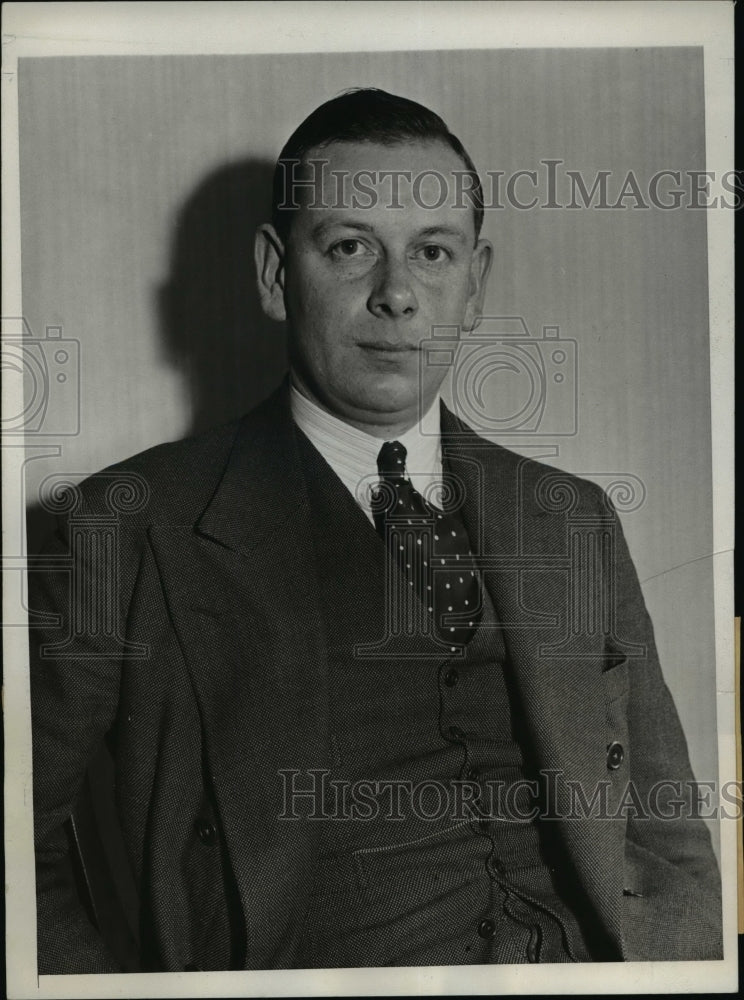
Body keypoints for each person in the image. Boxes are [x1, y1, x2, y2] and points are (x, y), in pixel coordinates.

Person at [30, 88, 722, 973]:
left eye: (432, 253)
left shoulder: (571, 516)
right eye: (351, 246)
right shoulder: (124, 529)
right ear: (278, 274)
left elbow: (670, 833)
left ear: (474, 286)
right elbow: (15, 847)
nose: (396, 294)